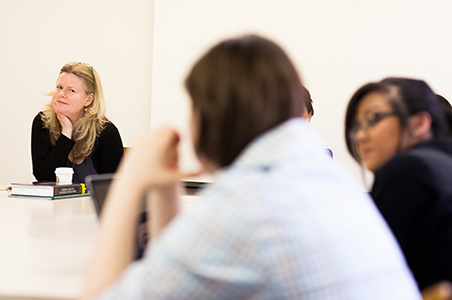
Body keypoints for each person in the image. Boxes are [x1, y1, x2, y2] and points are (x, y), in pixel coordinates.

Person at [81, 35, 419, 299]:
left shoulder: (246, 203)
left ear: (211, 117)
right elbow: (173, 279)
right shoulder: (320, 175)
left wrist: (130, 180)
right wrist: (163, 188)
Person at [344, 77, 452, 290]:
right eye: (357, 127)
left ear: (419, 123)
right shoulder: (442, 162)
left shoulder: (405, 170)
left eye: (373, 118)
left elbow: (372, 278)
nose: (360, 136)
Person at [31, 62, 123, 183]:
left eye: (71, 90)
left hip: (93, 202)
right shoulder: (43, 122)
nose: (61, 94)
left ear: (88, 99)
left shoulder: (106, 133)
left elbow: (112, 189)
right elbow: (43, 178)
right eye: (59, 87)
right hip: (55, 202)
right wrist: (66, 134)